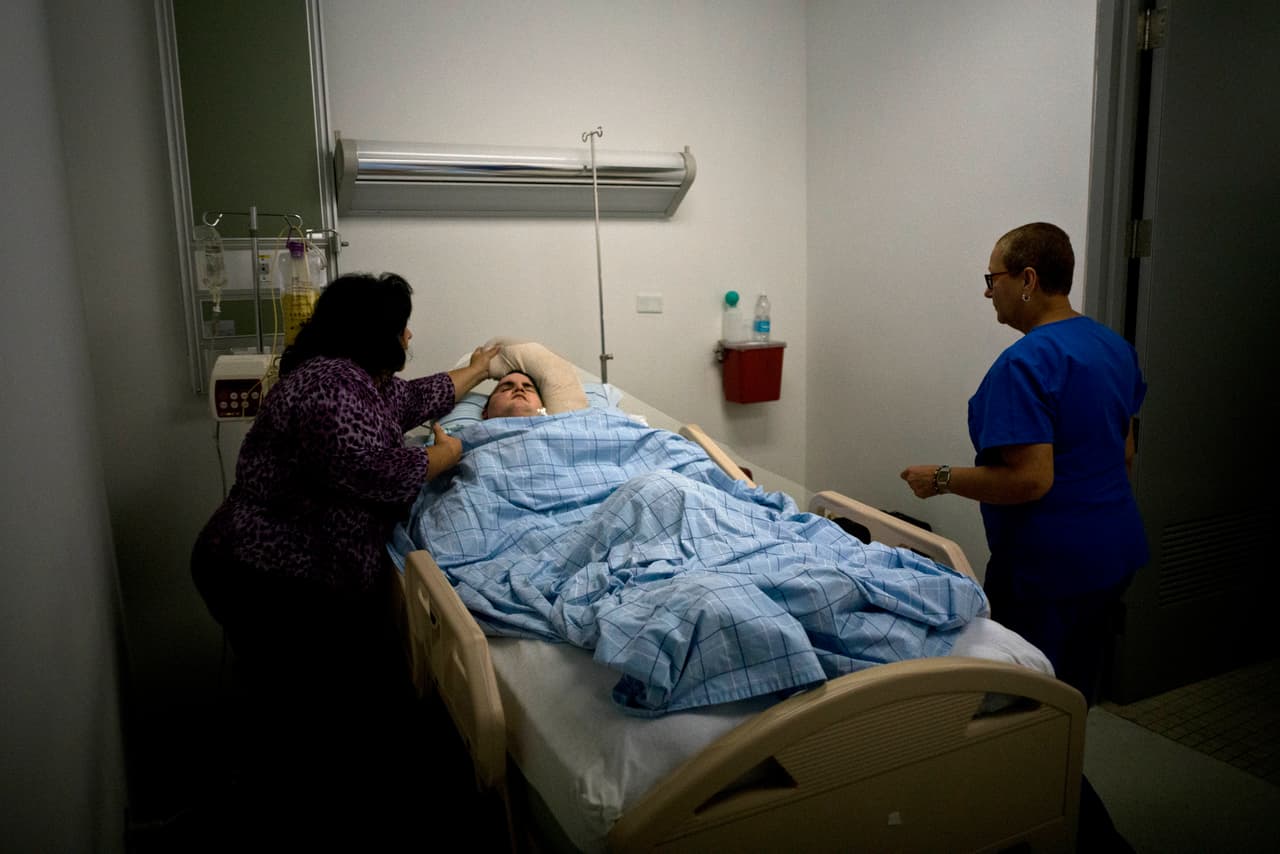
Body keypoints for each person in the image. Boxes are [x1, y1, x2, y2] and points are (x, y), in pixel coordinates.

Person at [190, 272, 499, 845]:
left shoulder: (367, 381)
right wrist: (447, 452)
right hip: (269, 576)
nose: (410, 336)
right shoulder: (330, 385)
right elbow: (377, 473)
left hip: (307, 578)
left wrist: (479, 369)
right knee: (312, 721)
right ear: (375, 332)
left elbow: (422, 395)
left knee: (318, 715)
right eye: (402, 326)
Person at [900, 223, 1146, 850]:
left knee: (1024, 711)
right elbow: (1124, 452)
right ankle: (1058, 789)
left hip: (1049, 568)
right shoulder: (1111, 346)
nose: (988, 293)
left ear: (1028, 280)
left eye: (993, 279)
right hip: (1111, 550)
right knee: (1071, 700)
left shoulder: (1026, 362)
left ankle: (1077, 828)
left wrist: (943, 478)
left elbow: (1032, 479)